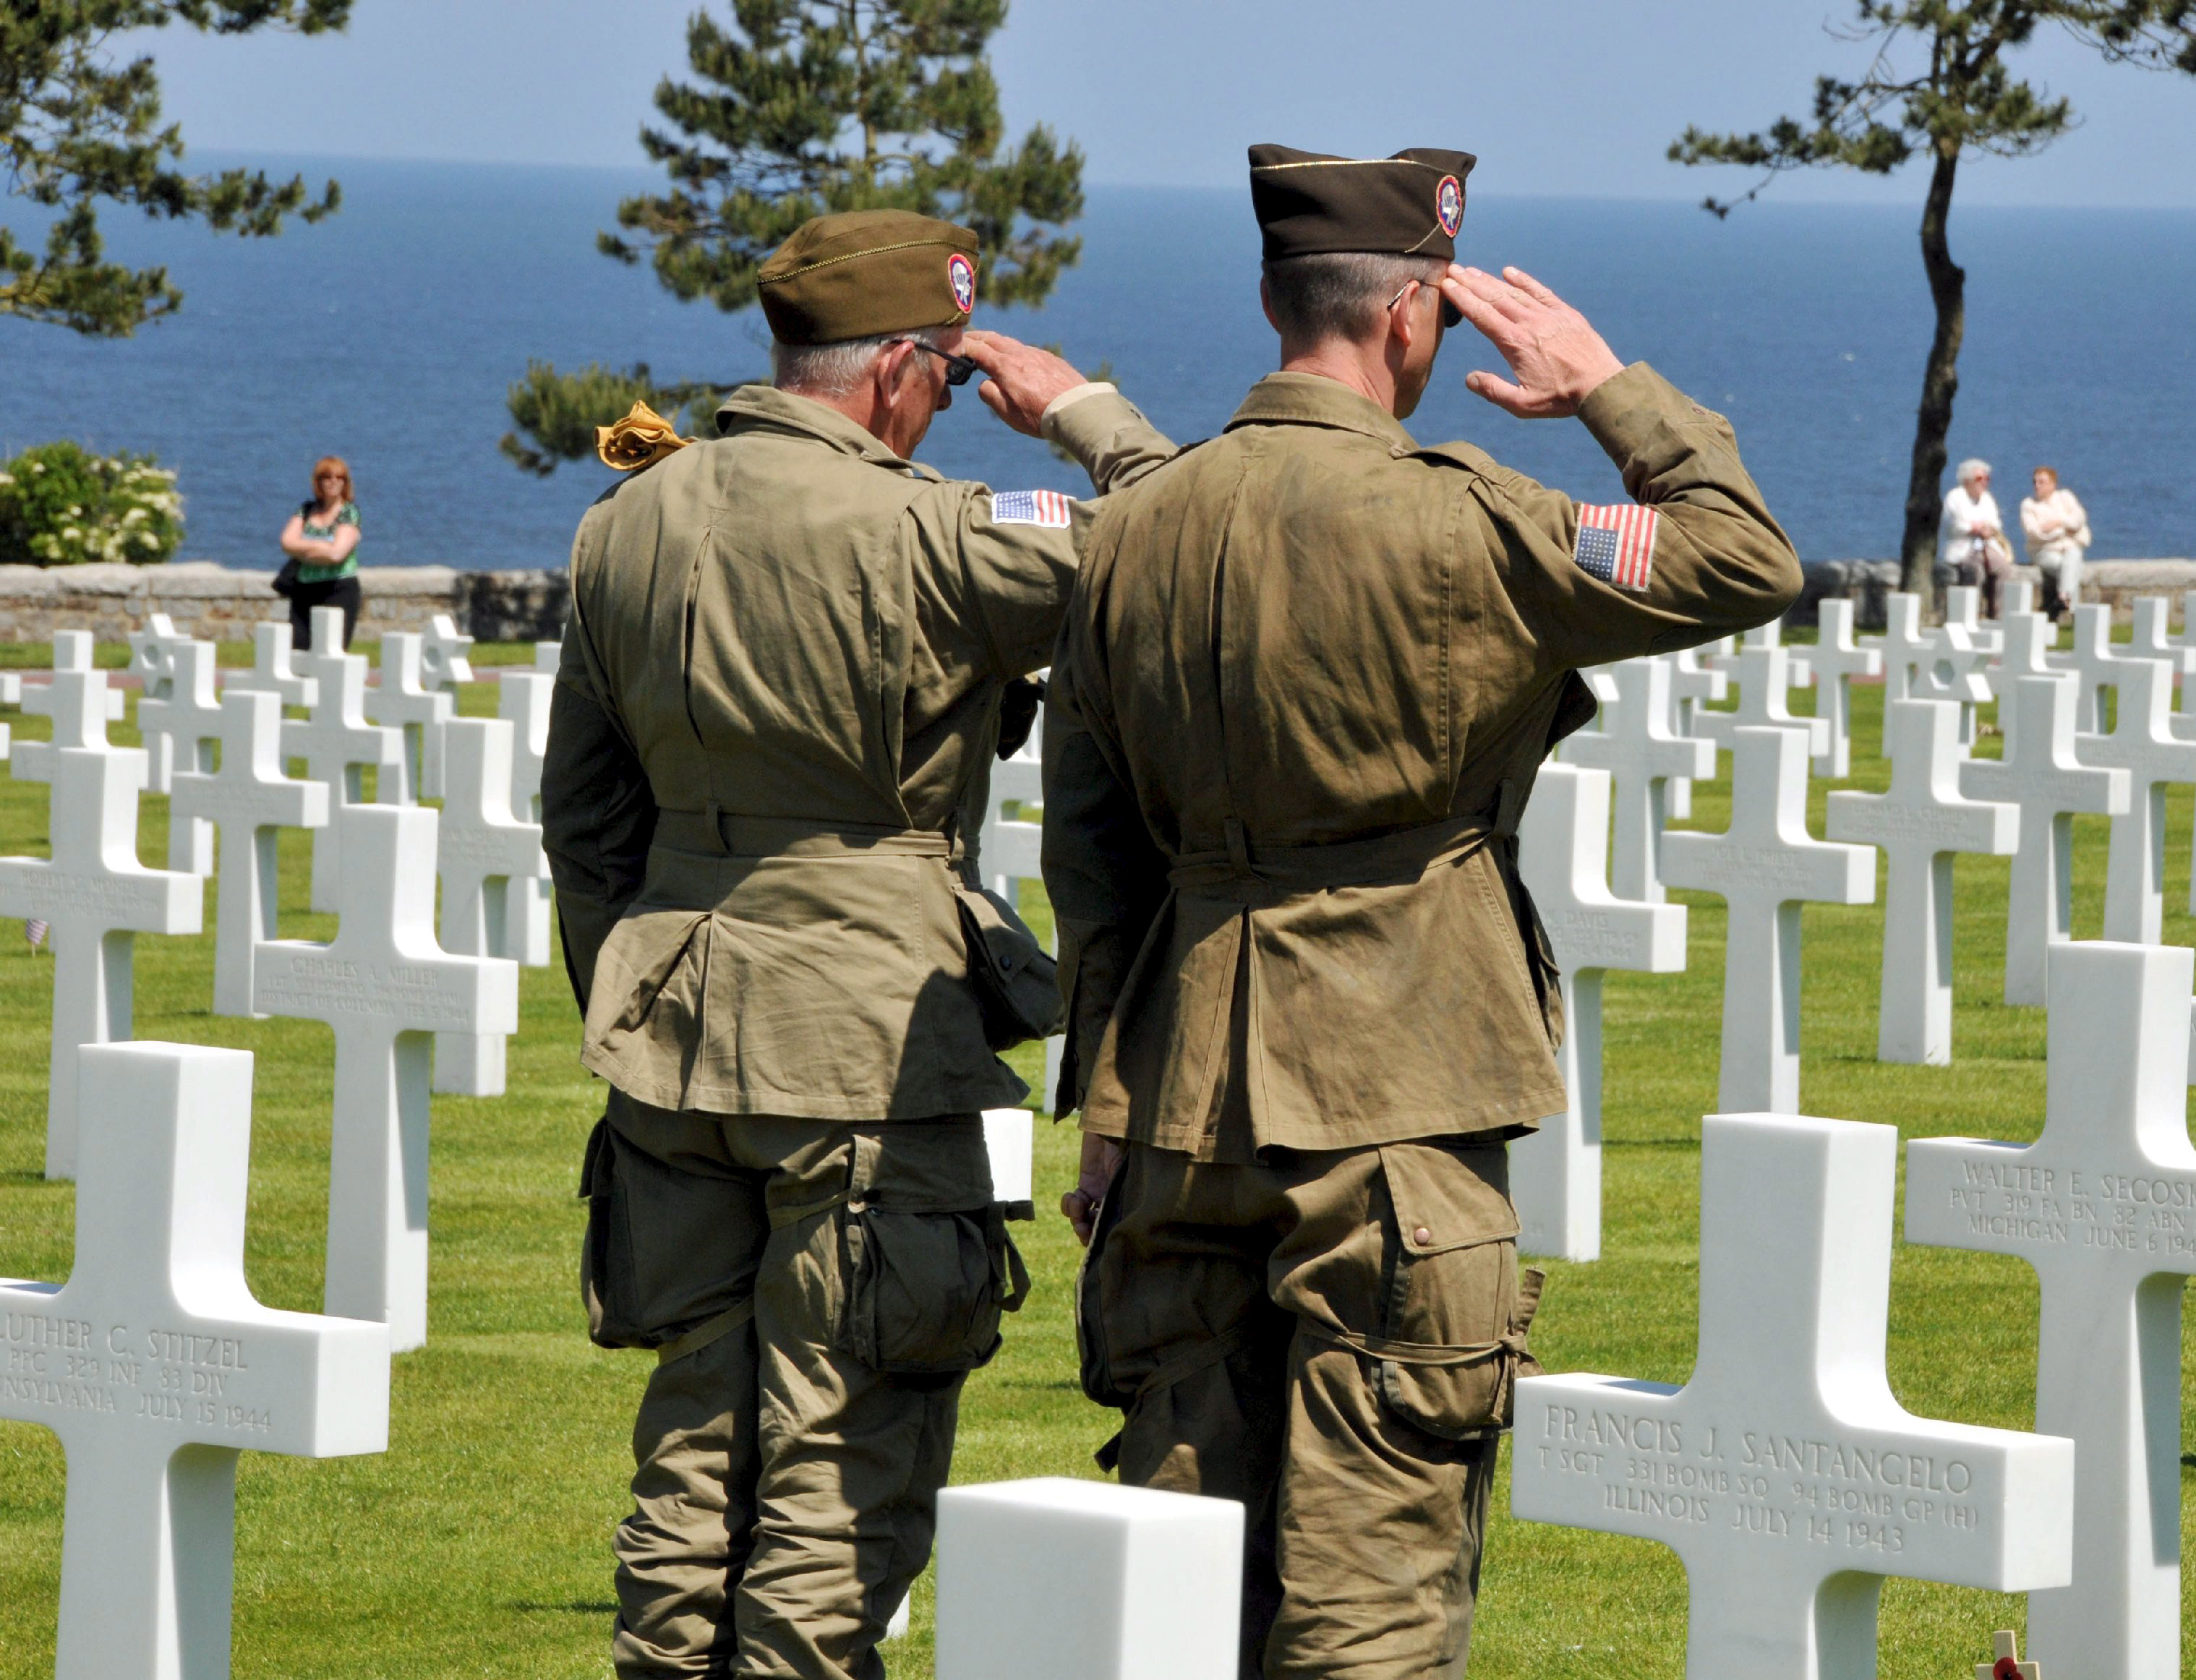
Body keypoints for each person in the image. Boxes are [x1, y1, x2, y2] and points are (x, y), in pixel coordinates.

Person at [1043, 144, 1801, 1680]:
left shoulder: (1134, 525)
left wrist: (1109, 1098)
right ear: (1410, 319)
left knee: (1181, 1588)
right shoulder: (1469, 517)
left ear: (1275, 300)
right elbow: (1746, 556)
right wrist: (1605, 388)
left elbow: (1096, 845)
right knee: (1373, 1590)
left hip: (1182, 1101)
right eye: (1443, 322)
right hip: (1402, 1084)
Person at [539, 208, 1176, 1680]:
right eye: (948, 379)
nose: (946, 404)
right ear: (899, 368)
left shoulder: (625, 516)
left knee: (694, 1440)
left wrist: (633, 990)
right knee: (845, 1447)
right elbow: (1189, 541)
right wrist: (1086, 414)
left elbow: (584, 814)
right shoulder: (933, 531)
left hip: (671, 1027)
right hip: (867, 1037)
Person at [278, 456, 364, 648]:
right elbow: (286, 542)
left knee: (331, 649)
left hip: (338, 590)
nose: (333, 481)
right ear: (318, 482)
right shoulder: (306, 510)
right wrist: (321, 547)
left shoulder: (349, 513)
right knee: (298, 649)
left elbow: (336, 554)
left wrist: (304, 547)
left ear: (345, 483)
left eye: (339, 477)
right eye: (327, 477)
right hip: (304, 590)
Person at [1938, 457, 2012, 617]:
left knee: (2004, 568)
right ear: (1967, 481)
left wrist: (1987, 529)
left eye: (1986, 478)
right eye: (1980, 479)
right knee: (1975, 571)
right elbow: (1955, 525)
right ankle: (1970, 615)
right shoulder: (1955, 497)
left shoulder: (1987, 499)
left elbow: (1995, 523)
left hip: (1986, 546)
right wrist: (1974, 528)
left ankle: (1998, 614)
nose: (1984, 482)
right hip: (1964, 548)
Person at [2021, 465, 2092, 622]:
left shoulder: (2065, 497)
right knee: (2071, 568)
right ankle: (2073, 610)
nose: (2037, 486)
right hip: (2044, 552)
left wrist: (2058, 522)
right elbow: (2035, 533)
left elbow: (2079, 519)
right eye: (2035, 482)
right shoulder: (2029, 505)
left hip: (2070, 549)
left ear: (2052, 484)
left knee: (2073, 555)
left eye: (2042, 482)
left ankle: (2062, 597)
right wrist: (2064, 531)